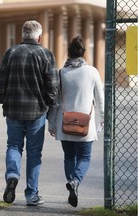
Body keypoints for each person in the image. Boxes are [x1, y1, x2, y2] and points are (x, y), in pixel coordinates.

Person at [0, 20, 60, 206]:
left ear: (22, 35)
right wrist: (47, 104)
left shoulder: (11, 52)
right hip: (36, 111)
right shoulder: (46, 54)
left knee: (14, 146)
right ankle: (32, 194)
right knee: (34, 154)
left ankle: (12, 176)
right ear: (39, 37)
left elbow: (1, 80)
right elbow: (53, 85)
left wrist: (3, 99)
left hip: (13, 109)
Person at [47, 36, 104, 207]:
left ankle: (72, 182)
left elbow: (55, 101)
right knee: (85, 157)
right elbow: (100, 100)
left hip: (65, 125)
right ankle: (76, 181)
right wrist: (102, 120)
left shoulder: (61, 73)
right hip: (85, 125)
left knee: (69, 157)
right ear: (83, 52)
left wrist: (51, 123)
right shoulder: (92, 72)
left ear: (69, 53)